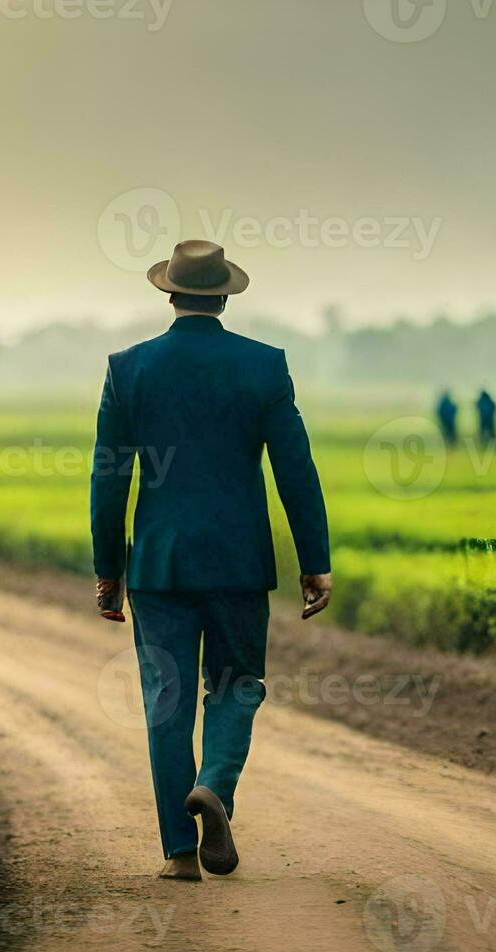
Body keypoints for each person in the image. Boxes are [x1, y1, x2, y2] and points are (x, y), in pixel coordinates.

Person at [90, 240, 333, 882]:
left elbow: (108, 477)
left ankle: (177, 852)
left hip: (160, 566)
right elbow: (296, 470)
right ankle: (216, 789)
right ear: (224, 296)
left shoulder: (128, 368)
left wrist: (108, 569)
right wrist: (315, 559)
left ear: (169, 294)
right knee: (236, 686)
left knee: (166, 702)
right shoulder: (264, 366)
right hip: (238, 561)